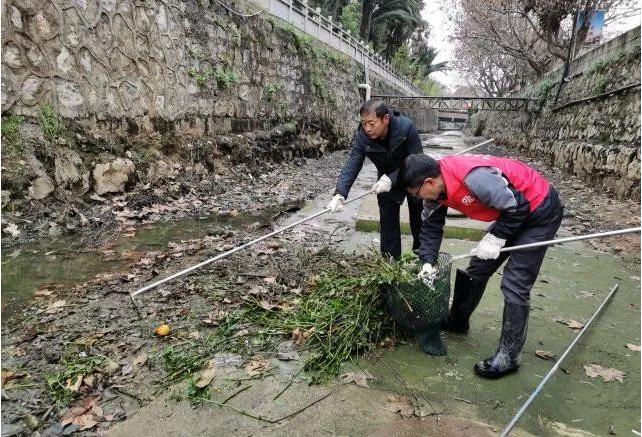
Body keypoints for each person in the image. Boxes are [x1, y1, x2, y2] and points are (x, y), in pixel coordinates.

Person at [400, 153, 564, 379]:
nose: (419, 199)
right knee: (478, 267)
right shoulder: (435, 191)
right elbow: (430, 228)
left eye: (416, 194)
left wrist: (496, 238)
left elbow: (518, 207)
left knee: (515, 282)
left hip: (539, 209)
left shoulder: (474, 178)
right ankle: (458, 321)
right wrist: (427, 262)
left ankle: (509, 356)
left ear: (429, 182)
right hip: (512, 211)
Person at [327, 99, 424, 259]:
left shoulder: (406, 128)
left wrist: (392, 179)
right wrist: (340, 193)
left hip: (413, 175)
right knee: (387, 220)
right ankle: (391, 260)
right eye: (364, 123)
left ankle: (422, 254)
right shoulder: (363, 137)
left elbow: (419, 161)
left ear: (385, 119)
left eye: (371, 123)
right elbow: (353, 162)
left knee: (418, 215)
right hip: (384, 181)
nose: (367, 128)